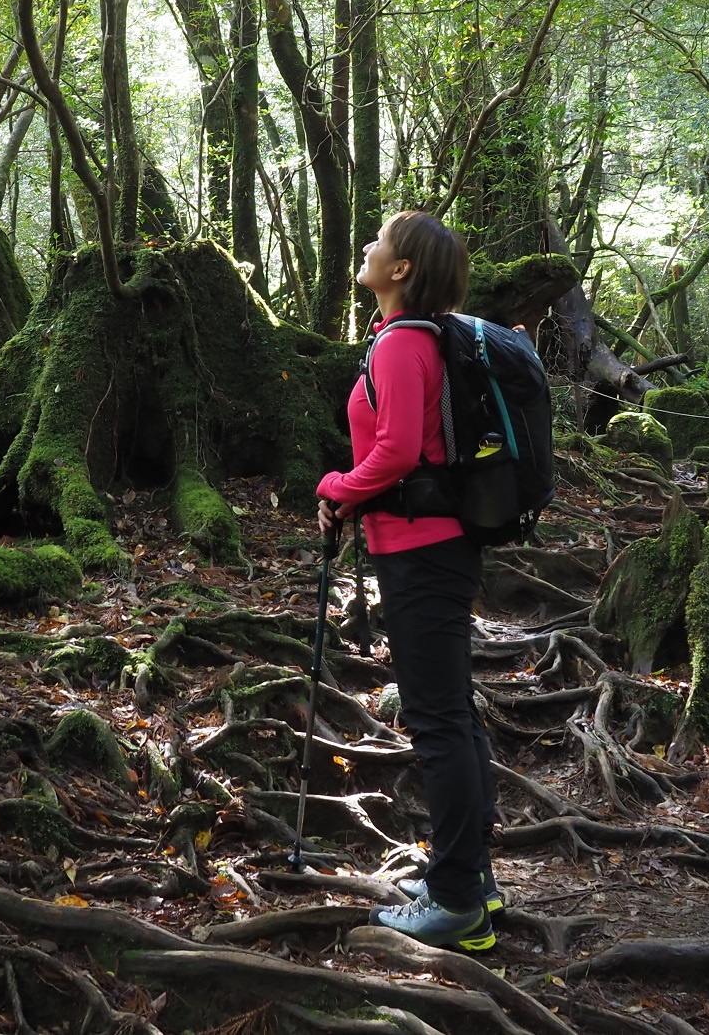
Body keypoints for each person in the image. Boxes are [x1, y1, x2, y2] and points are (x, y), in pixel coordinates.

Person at [315, 210, 500, 952]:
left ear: (402, 272)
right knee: (452, 712)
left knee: (436, 720)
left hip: (422, 553)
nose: (367, 245)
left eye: (380, 242)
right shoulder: (416, 339)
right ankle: (469, 875)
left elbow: (392, 452)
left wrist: (337, 486)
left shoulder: (400, 343)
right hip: (431, 548)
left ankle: (456, 901)